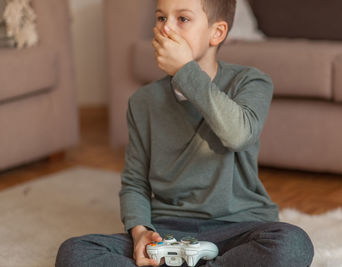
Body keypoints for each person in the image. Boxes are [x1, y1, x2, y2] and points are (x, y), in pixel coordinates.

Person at [56, 0, 314, 266]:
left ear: (217, 33)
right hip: (169, 232)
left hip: (238, 229)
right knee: (75, 252)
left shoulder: (250, 82)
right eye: (160, 18)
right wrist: (140, 232)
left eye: (183, 19)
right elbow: (135, 182)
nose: (166, 28)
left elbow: (237, 134)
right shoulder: (143, 101)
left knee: (292, 244)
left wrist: (184, 71)